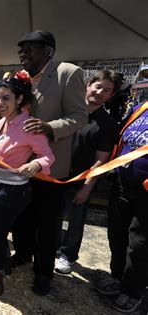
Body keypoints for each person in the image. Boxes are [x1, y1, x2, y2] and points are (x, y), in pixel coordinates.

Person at [11, 30, 87, 295]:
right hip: (22, 166)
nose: (23, 54)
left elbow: (80, 117)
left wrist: (49, 127)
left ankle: (43, 273)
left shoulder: (68, 73)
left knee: (46, 223)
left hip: (51, 169)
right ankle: (22, 254)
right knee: (21, 217)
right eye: (21, 50)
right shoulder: (20, 78)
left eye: (29, 49)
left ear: (48, 52)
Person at [0, 72, 55, 296]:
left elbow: (47, 156)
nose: (0, 103)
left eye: (6, 98)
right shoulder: (1, 123)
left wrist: (35, 165)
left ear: (19, 99)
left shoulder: (28, 125)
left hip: (12, 190)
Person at [55, 70, 122, 274]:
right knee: (53, 216)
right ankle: (53, 246)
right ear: (88, 85)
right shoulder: (67, 111)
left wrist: (87, 187)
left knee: (75, 221)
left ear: (111, 96)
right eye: (98, 86)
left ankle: (68, 255)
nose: (100, 92)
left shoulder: (108, 124)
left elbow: (101, 159)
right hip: (55, 176)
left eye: (107, 90)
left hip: (80, 181)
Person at [96, 100, 147, 313]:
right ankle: (117, 277)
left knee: (140, 244)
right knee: (117, 234)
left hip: (146, 194)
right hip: (122, 184)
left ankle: (133, 291)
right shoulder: (142, 107)